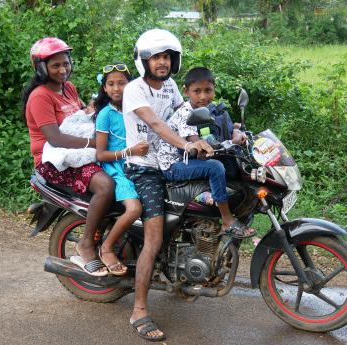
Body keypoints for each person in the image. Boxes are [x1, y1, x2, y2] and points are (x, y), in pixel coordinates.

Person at [122, 29, 213, 342]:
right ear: (144, 60)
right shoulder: (134, 90)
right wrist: (186, 146)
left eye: (167, 57)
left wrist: (201, 138)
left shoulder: (172, 86)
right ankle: (139, 310)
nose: (162, 62)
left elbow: (184, 116)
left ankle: (183, 266)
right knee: (154, 236)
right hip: (144, 169)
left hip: (169, 162)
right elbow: (158, 125)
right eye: (156, 57)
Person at [22, 37, 113, 277]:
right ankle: (85, 244)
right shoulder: (40, 96)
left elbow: (81, 116)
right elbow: (55, 139)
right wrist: (95, 143)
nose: (63, 70)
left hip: (78, 152)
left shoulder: (68, 87)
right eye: (56, 66)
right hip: (53, 161)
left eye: (66, 64)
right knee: (105, 185)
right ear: (41, 68)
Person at [157, 66, 257, 239]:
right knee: (215, 167)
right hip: (173, 163)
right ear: (186, 91)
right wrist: (231, 142)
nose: (203, 96)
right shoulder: (186, 113)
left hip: (187, 158)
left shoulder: (211, 109)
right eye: (197, 91)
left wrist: (235, 130)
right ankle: (227, 220)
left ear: (214, 90)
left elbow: (216, 133)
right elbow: (199, 145)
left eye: (208, 91)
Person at [94, 63, 149, 275]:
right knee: (134, 209)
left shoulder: (135, 110)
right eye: (111, 84)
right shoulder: (105, 115)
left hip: (138, 164)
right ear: (105, 88)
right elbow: (100, 154)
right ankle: (106, 248)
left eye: (122, 83)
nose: (117, 88)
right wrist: (130, 151)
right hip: (116, 167)